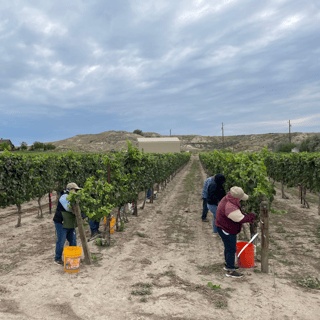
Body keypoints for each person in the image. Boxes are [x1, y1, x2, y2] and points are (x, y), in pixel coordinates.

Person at [215, 186, 255, 278]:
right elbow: (240, 219)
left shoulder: (227, 198)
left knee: (228, 247)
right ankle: (230, 271)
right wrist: (252, 216)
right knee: (231, 249)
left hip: (222, 226)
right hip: (226, 229)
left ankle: (228, 264)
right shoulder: (231, 207)